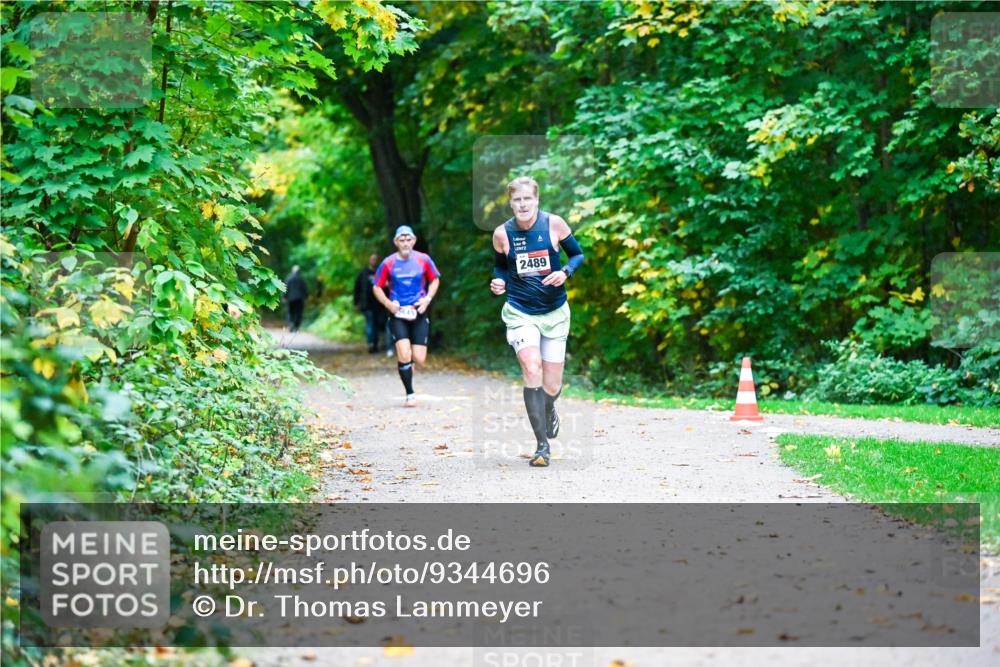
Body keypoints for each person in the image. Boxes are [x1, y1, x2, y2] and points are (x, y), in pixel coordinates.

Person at [490, 176, 584, 467]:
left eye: (527, 199)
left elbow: (578, 254)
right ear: (511, 203)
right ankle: (542, 447)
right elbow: (500, 266)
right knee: (532, 368)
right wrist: (498, 281)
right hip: (520, 311)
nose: (522, 205)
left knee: (552, 386)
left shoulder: (554, 224)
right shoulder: (501, 234)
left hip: (555, 312)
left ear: (536, 200)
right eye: (517, 200)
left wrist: (566, 271)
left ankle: (550, 407)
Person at [373, 226, 441, 407]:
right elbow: (376, 286)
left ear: (414, 240)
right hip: (398, 313)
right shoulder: (388, 263)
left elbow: (435, 279)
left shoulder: (423, 260)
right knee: (404, 353)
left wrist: (427, 299)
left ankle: (408, 363)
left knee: (419, 358)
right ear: (396, 242)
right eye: (401, 240)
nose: (405, 243)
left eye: (408, 240)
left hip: (418, 311)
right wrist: (389, 304)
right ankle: (410, 394)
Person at [354, 253, 387, 353]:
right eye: (372, 259)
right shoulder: (363, 274)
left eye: (376, 259)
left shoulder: (381, 273)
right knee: (370, 324)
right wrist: (357, 303)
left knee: (377, 325)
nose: (374, 261)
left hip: (379, 304)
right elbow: (357, 289)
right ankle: (371, 343)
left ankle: (375, 344)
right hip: (367, 304)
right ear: (369, 260)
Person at [283, 265, 308, 332]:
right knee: (298, 312)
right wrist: (305, 298)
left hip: (290, 299)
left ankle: (291, 323)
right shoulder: (301, 279)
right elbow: (305, 289)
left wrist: (284, 297)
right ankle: (296, 326)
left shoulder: (289, 278)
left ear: (292, 271)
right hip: (300, 299)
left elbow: (285, 288)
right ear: (299, 271)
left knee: (290, 312)